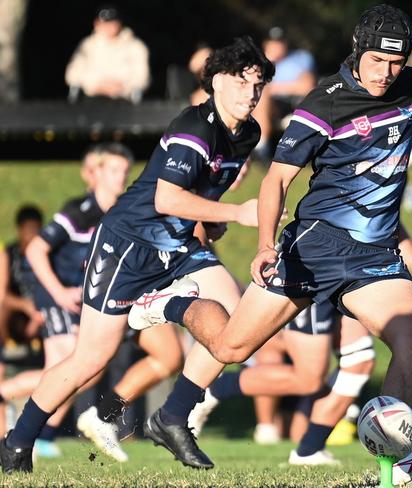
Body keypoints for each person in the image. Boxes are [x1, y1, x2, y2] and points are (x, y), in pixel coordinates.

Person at [126, 4, 412, 484]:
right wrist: (265, 244)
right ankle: (173, 304)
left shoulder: (409, 85)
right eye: (377, 62)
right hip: (313, 248)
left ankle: (398, 461)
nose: (387, 74)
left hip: (374, 256)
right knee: (230, 347)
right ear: (357, 50)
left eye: (397, 63)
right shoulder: (322, 104)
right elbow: (277, 181)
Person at [0, 36, 273, 474]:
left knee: (236, 329)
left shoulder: (248, 134)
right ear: (216, 82)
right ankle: (18, 441)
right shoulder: (194, 128)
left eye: (258, 84)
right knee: (90, 359)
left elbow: (201, 193)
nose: (251, 93)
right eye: (241, 82)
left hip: (178, 248)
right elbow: (166, 199)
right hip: (128, 246)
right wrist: (235, 213)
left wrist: (212, 221)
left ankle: (170, 416)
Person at [188, 234, 412, 469]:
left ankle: (310, 450)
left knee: (360, 362)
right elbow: (278, 181)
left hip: (362, 266)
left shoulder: (392, 179)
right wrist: (264, 240)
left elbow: (387, 215)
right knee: (309, 378)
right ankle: (212, 390)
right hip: (318, 263)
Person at [0, 145, 132, 459]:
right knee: (71, 366)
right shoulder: (80, 210)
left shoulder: (119, 212)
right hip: (57, 297)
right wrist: (59, 292)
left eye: (125, 171)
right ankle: (9, 399)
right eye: (113, 170)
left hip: (82, 302)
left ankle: (41, 435)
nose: (121, 177)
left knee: (85, 368)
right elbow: (35, 251)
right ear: (95, 173)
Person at [0, 206, 44, 438]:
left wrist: (38, 316)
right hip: (15, 320)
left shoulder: (47, 254)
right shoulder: (9, 253)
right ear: (19, 231)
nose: (32, 236)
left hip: (43, 319)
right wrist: (26, 306)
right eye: (28, 231)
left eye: (36, 231)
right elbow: (3, 295)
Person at [252, 26, 316, 161]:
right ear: (266, 44)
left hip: (288, 104)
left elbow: (307, 86)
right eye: (273, 42)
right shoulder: (258, 63)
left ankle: (261, 148)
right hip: (257, 103)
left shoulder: (300, 59)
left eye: (280, 43)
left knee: (263, 92)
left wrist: (273, 88)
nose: (276, 46)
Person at [65, 6, 150, 103]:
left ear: (119, 23)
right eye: (104, 23)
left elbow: (142, 76)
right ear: (96, 24)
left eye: (112, 23)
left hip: (124, 101)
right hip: (91, 101)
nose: (108, 27)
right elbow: (73, 73)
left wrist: (121, 87)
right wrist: (95, 85)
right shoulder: (87, 45)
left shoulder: (135, 46)